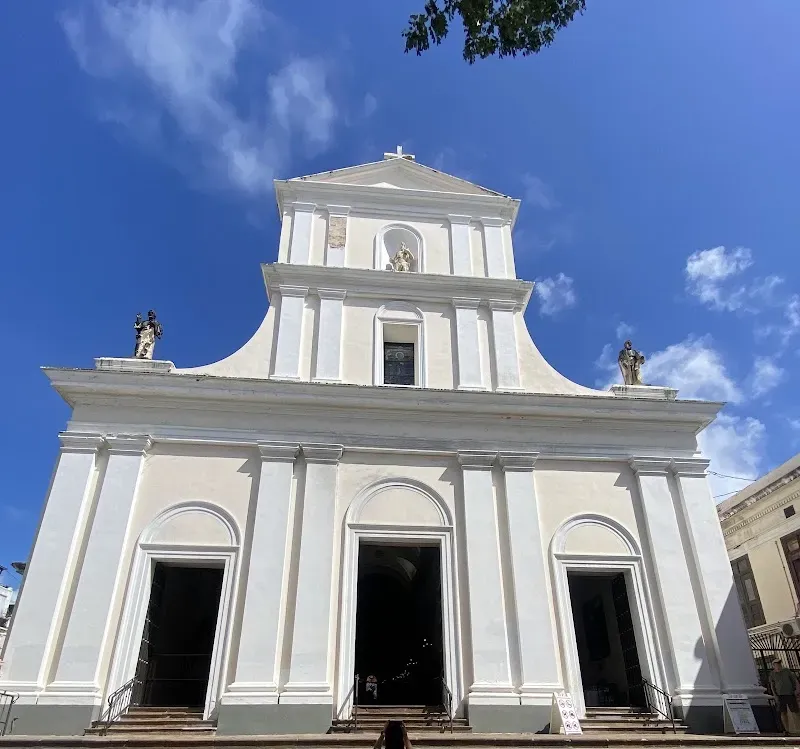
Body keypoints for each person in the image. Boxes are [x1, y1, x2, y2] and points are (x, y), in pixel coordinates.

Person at [769, 658, 800, 734]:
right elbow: (772, 686)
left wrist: (797, 690)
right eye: (776, 664)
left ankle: (798, 728)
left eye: (779, 664)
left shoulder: (787, 671)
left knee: (795, 711)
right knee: (783, 712)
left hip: (790, 694)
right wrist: (775, 695)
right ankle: (787, 729)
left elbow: (795, 681)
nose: (778, 665)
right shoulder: (772, 674)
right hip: (780, 695)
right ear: (773, 666)